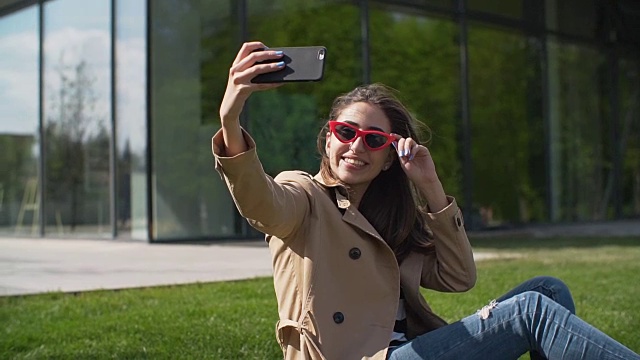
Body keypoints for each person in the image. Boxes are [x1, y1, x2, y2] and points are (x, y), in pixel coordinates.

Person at [213, 41, 639, 360]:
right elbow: (260, 203)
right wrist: (230, 119)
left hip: (410, 351)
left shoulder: (392, 218)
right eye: (345, 132)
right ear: (327, 138)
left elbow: (459, 277)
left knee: (548, 290)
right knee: (530, 311)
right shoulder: (304, 195)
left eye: (373, 140)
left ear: (387, 159)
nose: (356, 148)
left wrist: (432, 187)